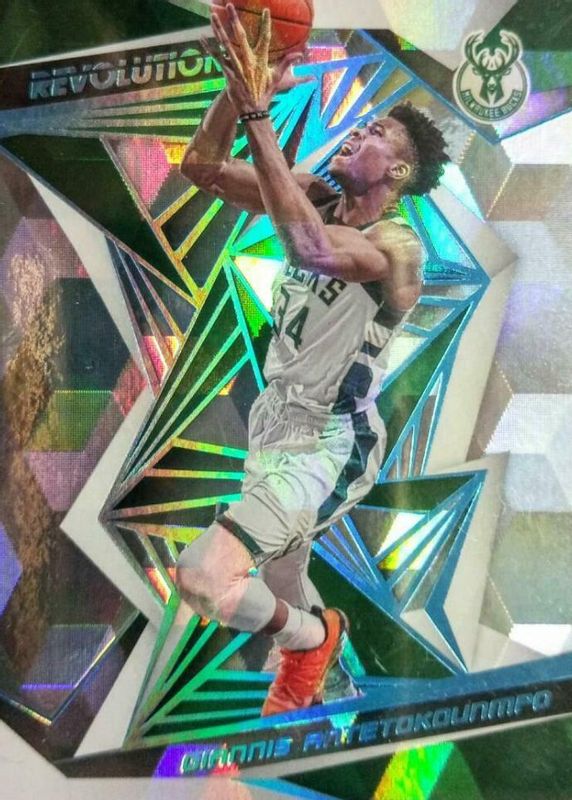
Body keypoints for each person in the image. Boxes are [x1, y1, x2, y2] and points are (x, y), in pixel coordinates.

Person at [176, 5, 450, 717]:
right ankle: (315, 701)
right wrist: (235, 91)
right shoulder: (317, 194)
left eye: (374, 132)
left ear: (398, 171)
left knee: (205, 577)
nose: (355, 132)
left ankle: (314, 641)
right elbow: (201, 168)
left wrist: (257, 112)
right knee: (282, 579)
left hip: (330, 442)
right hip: (273, 424)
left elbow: (312, 249)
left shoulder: (399, 248)